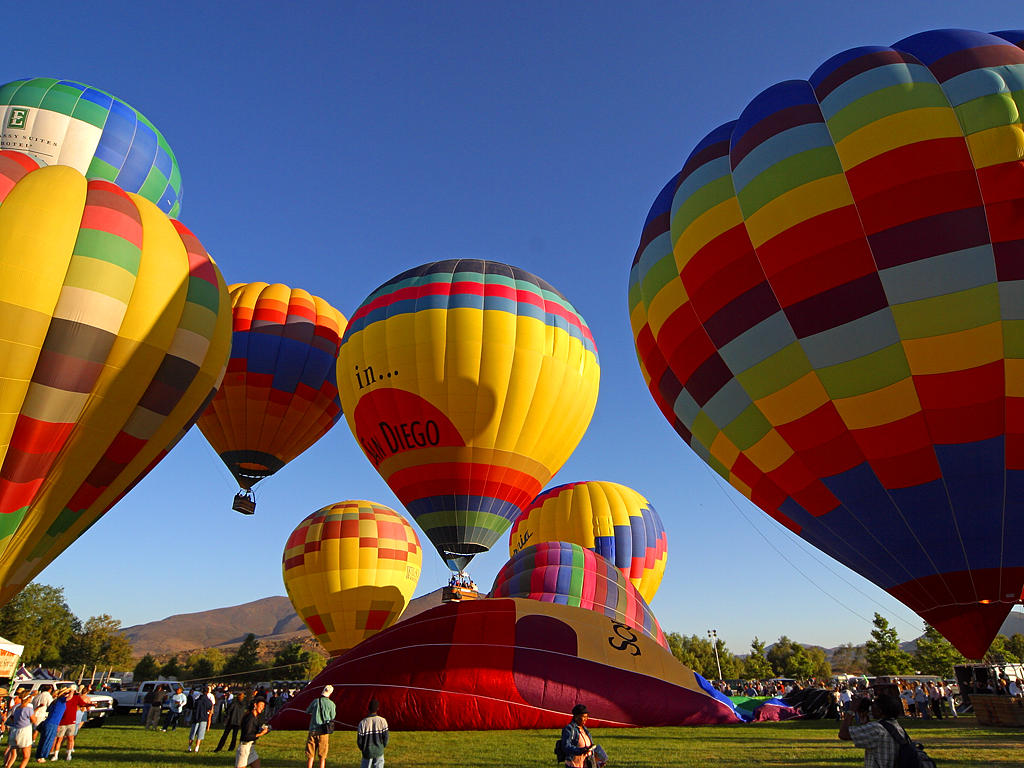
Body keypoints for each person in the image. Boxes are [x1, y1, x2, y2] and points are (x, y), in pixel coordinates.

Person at [839, 694, 908, 768]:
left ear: (880, 710)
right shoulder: (897, 728)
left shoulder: (877, 728)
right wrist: (864, 717)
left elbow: (843, 734)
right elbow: (869, 737)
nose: (871, 708)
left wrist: (851, 710)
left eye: (874, 705)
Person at [52, 686, 92, 761]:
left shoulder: (76, 698)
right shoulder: (62, 699)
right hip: (62, 722)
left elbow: (82, 704)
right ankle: (55, 755)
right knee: (59, 739)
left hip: (71, 721)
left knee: (70, 738)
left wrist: (91, 704)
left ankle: (68, 754)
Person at [305, 685, 336, 768]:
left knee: (310, 755)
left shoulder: (315, 701)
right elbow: (333, 717)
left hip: (313, 730)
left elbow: (307, 711)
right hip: (324, 731)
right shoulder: (332, 704)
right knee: (322, 756)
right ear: (330, 693)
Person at [33, 688, 68, 762]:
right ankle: (42, 757)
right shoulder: (61, 700)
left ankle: (38, 755)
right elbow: (69, 697)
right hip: (52, 723)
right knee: (48, 740)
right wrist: (72, 690)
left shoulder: (55, 701)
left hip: (48, 722)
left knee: (43, 740)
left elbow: (48, 709)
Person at [4, 693, 37, 768]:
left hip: (14, 731)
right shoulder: (28, 709)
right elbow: (34, 720)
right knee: (26, 756)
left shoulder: (17, 709)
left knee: (13, 754)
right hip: (24, 732)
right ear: (28, 699)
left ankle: (7, 766)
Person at [235, 697, 269, 768]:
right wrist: (261, 734)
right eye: (261, 705)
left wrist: (265, 729)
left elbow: (259, 726)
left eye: (264, 706)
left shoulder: (256, 717)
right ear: (255, 705)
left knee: (257, 764)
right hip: (244, 748)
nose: (262, 708)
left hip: (251, 747)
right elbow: (247, 736)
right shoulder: (250, 718)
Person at [560, 704, 596, 768]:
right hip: (574, 764)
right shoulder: (569, 729)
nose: (586, 719)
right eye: (583, 717)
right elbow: (566, 746)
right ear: (576, 716)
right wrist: (580, 750)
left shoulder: (585, 729)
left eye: (587, 717)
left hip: (587, 764)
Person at [356, 699, 389, 768]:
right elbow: (386, 737)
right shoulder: (382, 721)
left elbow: (359, 741)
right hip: (379, 750)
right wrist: (382, 746)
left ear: (368, 709)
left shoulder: (362, 723)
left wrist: (363, 749)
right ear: (378, 709)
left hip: (367, 751)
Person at [187, 686, 215, 752]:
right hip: (204, 718)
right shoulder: (208, 701)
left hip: (196, 718)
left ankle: (189, 747)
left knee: (192, 734)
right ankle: (197, 747)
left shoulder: (197, 700)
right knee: (200, 734)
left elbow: (193, 707)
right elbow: (210, 709)